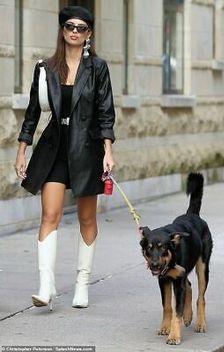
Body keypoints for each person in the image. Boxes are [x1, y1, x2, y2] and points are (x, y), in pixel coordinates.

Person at [15, 5, 115, 311]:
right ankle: (46, 286)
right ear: (62, 30)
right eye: (69, 26)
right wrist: (22, 149)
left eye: (81, 28)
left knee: (87, 218)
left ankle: (82, 284)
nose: (74, 31)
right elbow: (33, 111)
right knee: (50, 215)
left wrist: (108, 151)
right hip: (55, 148)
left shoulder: (98, 68)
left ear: (89, 34)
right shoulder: (46, 68)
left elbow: (105, 112)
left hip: (87, 149)